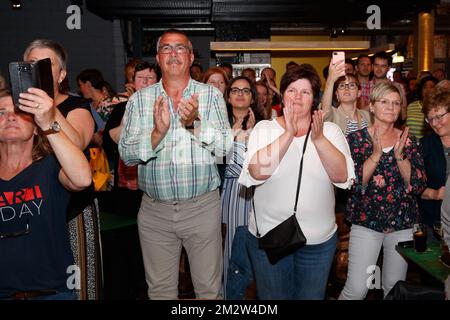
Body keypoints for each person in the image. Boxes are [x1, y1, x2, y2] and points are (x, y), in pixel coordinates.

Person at [118, 29, 233, 299]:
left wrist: (194, 123)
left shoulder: (211, 97)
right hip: (154, 211)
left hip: (202, 207)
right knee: (159, 292)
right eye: (166, 48)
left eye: (180, 48)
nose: (173, 53)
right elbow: (126, 154)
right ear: (158, 57)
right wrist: (156, 135)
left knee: (209, 290)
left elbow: (225, 148)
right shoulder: (139, 100)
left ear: (191, 56)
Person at [238, 64, 355, 299]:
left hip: (318, 242)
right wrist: (288, 135)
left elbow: (341, 177)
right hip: (270, 237)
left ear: (314, 98)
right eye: (292, 90)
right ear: (282, 93)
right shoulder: (265, 128)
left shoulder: (330, 131)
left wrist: (319, 139)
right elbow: (258, 172)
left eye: (305, 92)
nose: (298, 97)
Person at [23, 39, 99, 300]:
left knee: (77, 279)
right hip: (28, 206)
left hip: (71, 208)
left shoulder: (76, 107)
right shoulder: (15, 109)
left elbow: (77, 142)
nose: (38, 69)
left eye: (46, 64)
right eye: (32, 64)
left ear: (62, 74)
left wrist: (48, 110)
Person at [0, 89, 92, 300]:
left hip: (51, 291)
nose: (10, 117)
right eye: (1, 113)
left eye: (19, 112)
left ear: (35, 128)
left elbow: (83, 180)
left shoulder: (50, 166)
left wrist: (48, 124)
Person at [339, 82, 427, 300]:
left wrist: (399, 157)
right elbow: (353, 183)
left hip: (403, 224)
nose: (391, 107)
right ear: (371, 106)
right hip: (366, 222)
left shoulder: (409, 140)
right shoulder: (355, 140)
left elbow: (417, 184)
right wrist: (376, 154)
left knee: (394, 289)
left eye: (396, 103)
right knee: (357, 289)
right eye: (385, 102)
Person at [221, 76, 261, 298]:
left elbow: (265, 166)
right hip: (230, 195)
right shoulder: (219, 124)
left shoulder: (264, 126)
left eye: (246, 91)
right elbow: (219, 165)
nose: (240, 94)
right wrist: (232, 135)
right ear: (228, 96)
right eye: (235, 90)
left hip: (258, 196)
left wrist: (252, 136)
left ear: (252, 97)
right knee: (230, 253)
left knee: (254, 251)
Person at [420, 90, 450, 232]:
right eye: (430, 119)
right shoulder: (424, 146)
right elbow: (413, 186)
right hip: (434, 223)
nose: (435, 123)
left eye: (439, 117)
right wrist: (434, 193)